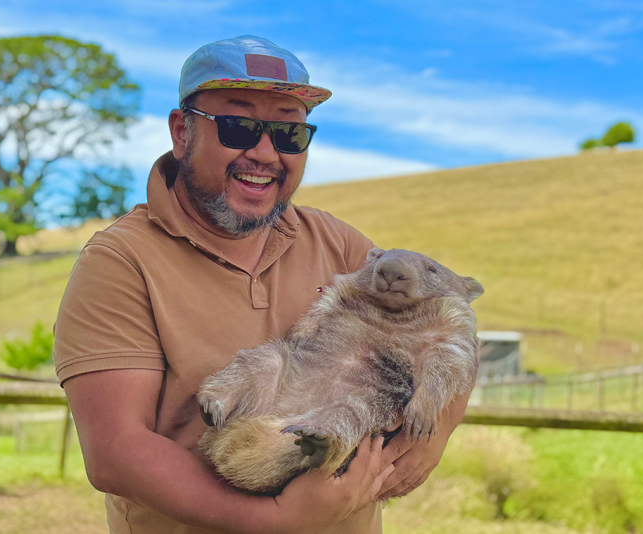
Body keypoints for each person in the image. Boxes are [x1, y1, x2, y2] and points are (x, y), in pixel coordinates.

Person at [54, 35, 473, 534]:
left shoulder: (335, 241)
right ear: (182, 132)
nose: (265, 152)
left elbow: (448, 330)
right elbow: (116, 451)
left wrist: (434, 436)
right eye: (238, 126)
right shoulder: (121, 261)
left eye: (289, 134)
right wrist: (273, 520)